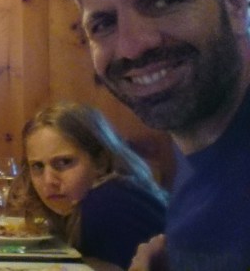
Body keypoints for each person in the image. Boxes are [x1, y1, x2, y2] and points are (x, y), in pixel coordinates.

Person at [54, 0, 250, 270]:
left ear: (234, 4)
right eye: (103, 24)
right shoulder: (200, 147)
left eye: (164, 2)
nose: (132, 46)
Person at [9, 101, 166, 270]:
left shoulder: (107, 204)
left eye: (64, 162)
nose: (49, 180)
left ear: (100, 162)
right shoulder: (95, 202)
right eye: (38, 166)